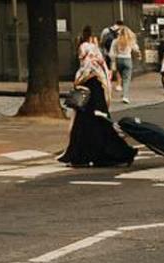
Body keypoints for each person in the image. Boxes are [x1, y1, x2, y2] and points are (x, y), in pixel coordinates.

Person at [58, 28, 136, 168]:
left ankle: (82, 156)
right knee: (100, 127)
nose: (81, 57)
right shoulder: (99, 71)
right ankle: (109, 155)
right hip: (96, 102)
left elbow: (84, 73)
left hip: (88, 102)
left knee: (84, 127)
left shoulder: (86, 72)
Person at [109, 23, 140, 104]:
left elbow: (111, 53)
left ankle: (120, 87)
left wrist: (113, 60)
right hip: (127, 59)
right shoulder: (130, 40)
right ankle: (125, 96)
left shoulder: (115, 41)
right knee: (126, 79)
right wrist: (138, 55)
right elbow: (136, 49)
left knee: (120, 75)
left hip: (118, 59)